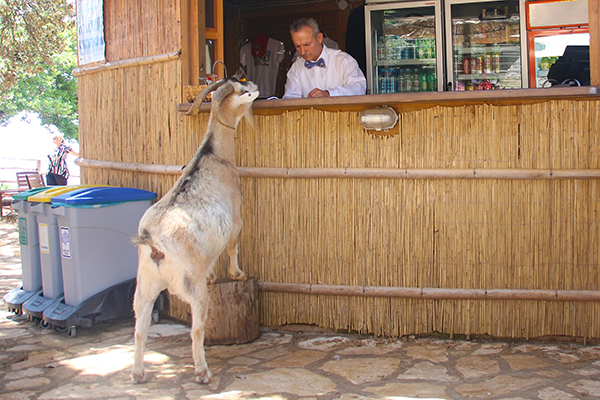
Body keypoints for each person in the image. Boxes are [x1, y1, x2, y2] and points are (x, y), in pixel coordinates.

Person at [283, 18, 366, 99]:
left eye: (307, 44)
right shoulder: (296, 68)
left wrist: (329, 94)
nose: (303, 51)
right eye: (298, 46)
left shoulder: (343, 60)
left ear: (319, 38)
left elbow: (358, 88)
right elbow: (290, 98)